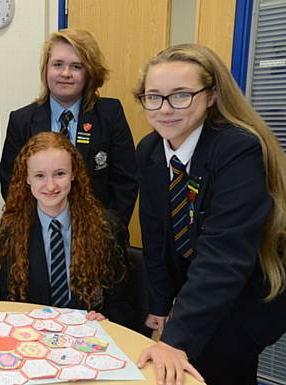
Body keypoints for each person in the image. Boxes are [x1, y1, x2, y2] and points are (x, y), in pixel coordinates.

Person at [135, 44, 286, 385]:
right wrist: (160, 307)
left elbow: (224, 255)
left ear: (212, 95)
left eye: (181, 96)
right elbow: (155, 234)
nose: (165, 109)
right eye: (154, 96)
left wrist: (176, 340)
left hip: (243, 296)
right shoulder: (149, 150)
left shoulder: (237, 149)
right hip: (195, 293)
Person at [0, 29, 137, 229]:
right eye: (58, 65)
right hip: (39, 235)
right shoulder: (22, 120)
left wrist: (106, 232)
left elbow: (126, 182)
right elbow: (11, 183)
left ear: (89, 72)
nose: (65, 73)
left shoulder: (110, 114)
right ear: (46, 69)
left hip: (97, 235)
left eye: (76, 66)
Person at [0, 132, 134, 328]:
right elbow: (8, 300)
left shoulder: (106, 227)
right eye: (39, 176)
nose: (51, 186)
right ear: (26, 178)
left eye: (60, 174)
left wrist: (106, 320)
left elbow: (123, 303)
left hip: (89, 338)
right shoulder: (11, 229)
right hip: (34, 339)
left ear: (74, 173)